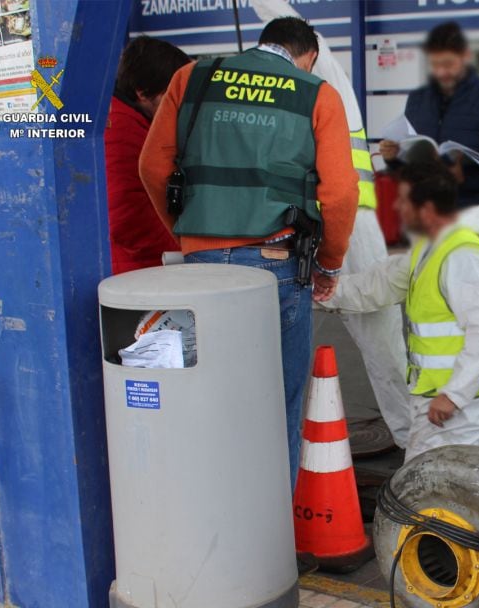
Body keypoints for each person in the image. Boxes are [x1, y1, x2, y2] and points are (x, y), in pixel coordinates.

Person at [139, 17, 358, 487]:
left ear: (263, 44)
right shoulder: (316, 94)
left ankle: (214, 524)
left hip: (199, 269)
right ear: (310, 56)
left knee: (206, 399)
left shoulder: (191, 77)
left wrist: (187, 232)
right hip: (275, 265)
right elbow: (340, 195)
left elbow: (153, 166)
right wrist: (328, 264)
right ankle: (269, 537)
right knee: (276, 403)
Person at [319, 162, 479, 462]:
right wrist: (320, 292)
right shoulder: (429, 249)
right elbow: (377, 285)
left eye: (405, 199)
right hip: (441, 396)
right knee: (441, 478)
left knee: (430, 484)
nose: (397, 206)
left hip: (467, 401)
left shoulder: (462, 255)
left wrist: (454, 395)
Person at [308, 33, 413, 450]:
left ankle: (412, 435)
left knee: (376, 321)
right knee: (381, 332)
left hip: (347, 223)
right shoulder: (329, 84)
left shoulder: (319, 85)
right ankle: (411, 435)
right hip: (348, 222)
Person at [378, 21, 479, 235]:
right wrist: (394, 158)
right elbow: (409, 167)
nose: (442, 72)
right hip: (424, 219)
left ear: (466, 56)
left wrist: (465, 178)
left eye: (448, 64)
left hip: (470, 220)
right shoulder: (417, 99)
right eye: (435, 65)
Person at [105, 36, 189, 275]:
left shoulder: (133, 121)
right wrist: (184, 247)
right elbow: (126, 216)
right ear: (142, 92)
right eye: (170, 94)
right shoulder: (120, 128)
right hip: (137, 271)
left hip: (143, 267)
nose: (178, 103)